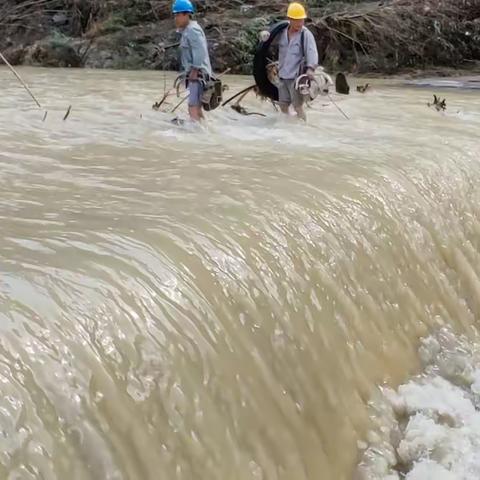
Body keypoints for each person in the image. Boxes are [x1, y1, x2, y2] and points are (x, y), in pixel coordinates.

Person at [172, 0, 212, 121]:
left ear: (186, 14)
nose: (176, 18)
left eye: (178, 15)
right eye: (175, 15)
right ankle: (203, 131)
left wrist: (194, 70)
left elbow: (200, 51)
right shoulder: (187, 30)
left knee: (192, 107)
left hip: (198, 74)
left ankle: (195, 133)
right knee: (197, 108)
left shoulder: (192, 30)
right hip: (196, 74)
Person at [278, 2, 319, 121]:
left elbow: (312, 52)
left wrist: (311, 69)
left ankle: (303, 127)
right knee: (283, 105)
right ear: (290, 19)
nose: (300, 23)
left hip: (296, 78)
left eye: (302, 20)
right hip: (282, 76)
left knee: (297, 106)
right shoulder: (281, 33)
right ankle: (288, 125)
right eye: (297, 20)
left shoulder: (305, 34)